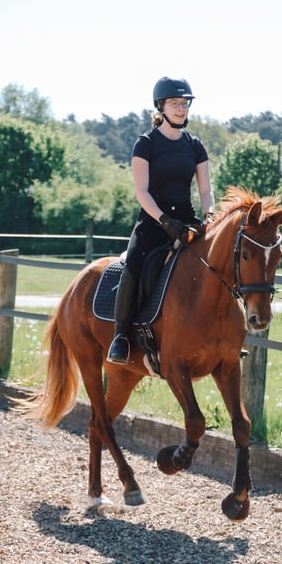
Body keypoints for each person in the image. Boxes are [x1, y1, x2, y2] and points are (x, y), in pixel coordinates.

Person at [107, 76, 216, 364]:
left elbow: (205, 190)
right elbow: (141, 191)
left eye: (184, 103)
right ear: (161, 106)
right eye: (174, 103)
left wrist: (210, 216)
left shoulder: (195, 146)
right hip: (153, 223)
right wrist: (164, 221)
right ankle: (120, 337)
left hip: (186, 221)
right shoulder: (146, 143)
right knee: (134, 265)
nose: (181, 109)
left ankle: (219, 334)